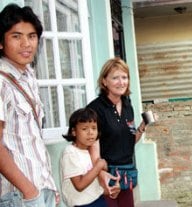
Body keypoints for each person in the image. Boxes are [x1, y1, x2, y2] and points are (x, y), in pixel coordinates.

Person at [0, 3, 58, 206]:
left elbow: (32, 139)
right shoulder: (1, 82)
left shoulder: (28, 76)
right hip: (20, 195)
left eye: (32, 36)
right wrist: (29, 191)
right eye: (16, 36)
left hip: (41, 188)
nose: (26, 43)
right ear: (1, 42)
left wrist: (48, 186)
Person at [87, 57, 146, 207]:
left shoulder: (127, 105)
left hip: (127, 174)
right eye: (115, 78)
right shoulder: (95, 109)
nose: (121, 82)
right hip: (107, 174)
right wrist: (101, 175)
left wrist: (142, 126)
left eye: (124, 77)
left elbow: (128, 141)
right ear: (104, 81)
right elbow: (92, 148)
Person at [60, 107, 120, 207]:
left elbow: (95, 185)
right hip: (82, 204)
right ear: (74, 131)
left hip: (98, 200)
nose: (90, 132)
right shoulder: (70, 152)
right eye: (84, 129)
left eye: (94, 128)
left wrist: (113, 188)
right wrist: (99, 166)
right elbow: (80, 185)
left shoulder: (90, 151)